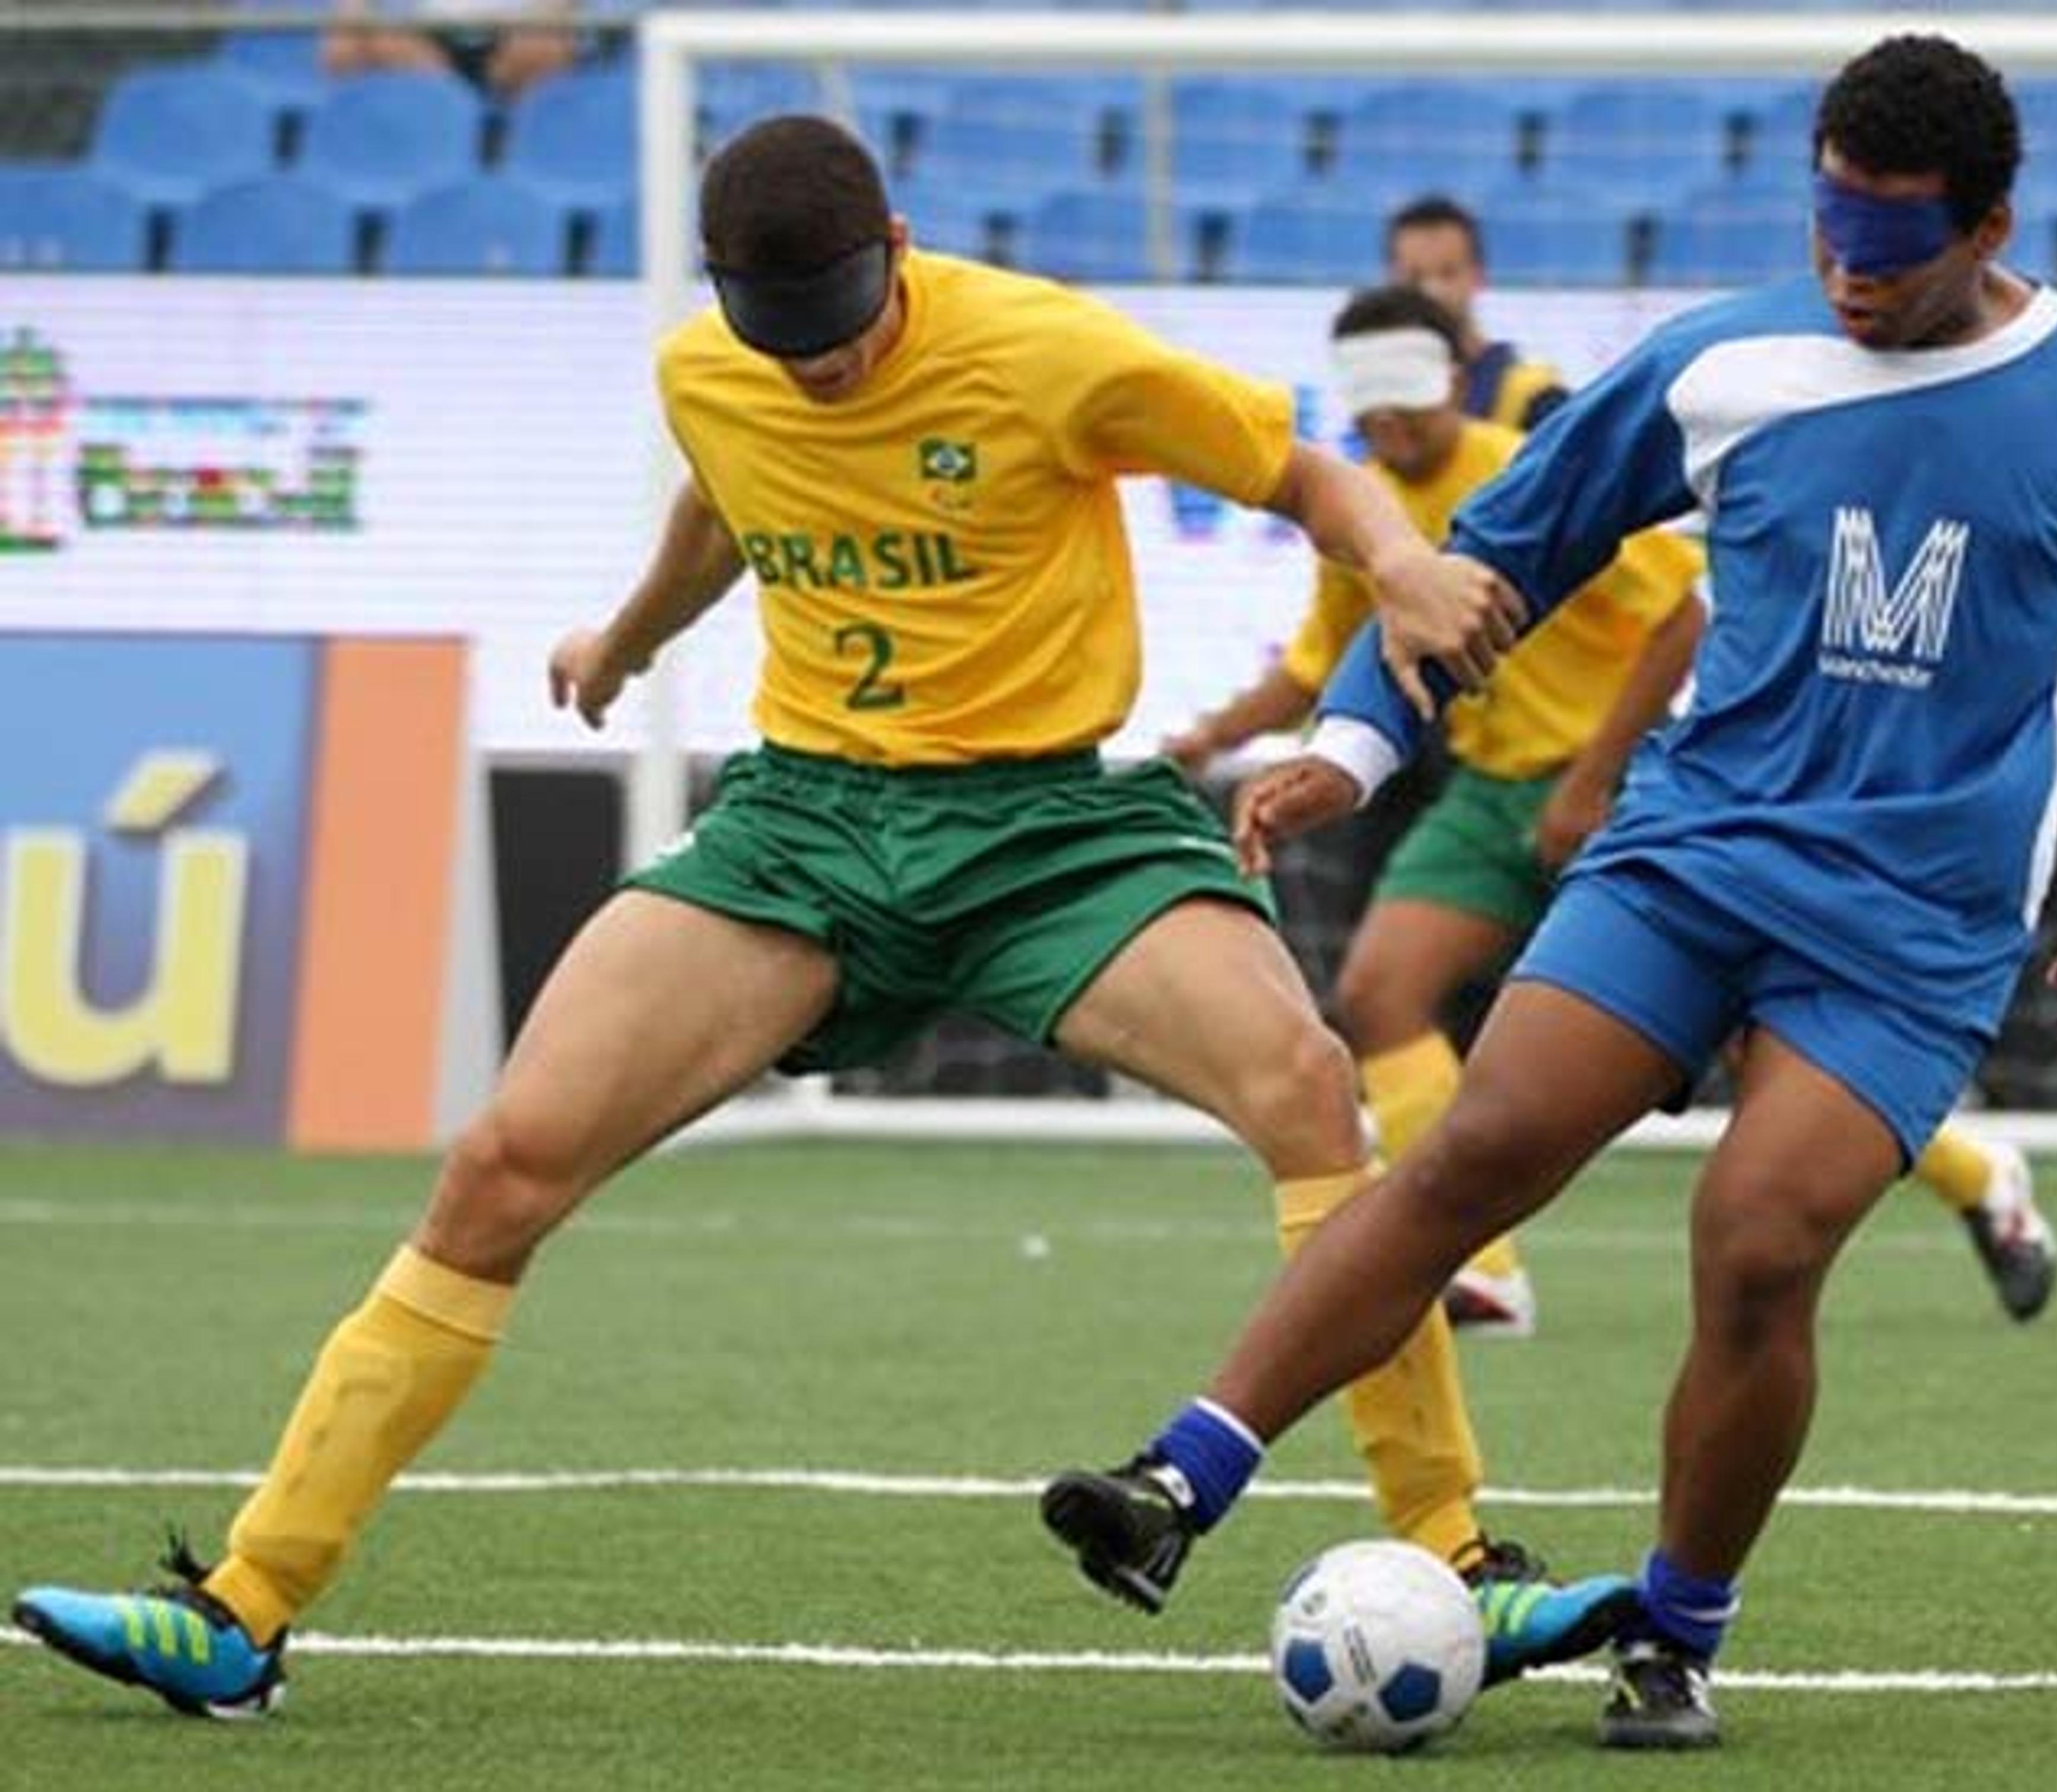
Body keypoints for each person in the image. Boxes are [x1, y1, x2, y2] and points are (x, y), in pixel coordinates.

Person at [8, 114, 1618, 1721]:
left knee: (1310, 1087)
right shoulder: (714, 368)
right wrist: (627, 639)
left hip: (1052, 827)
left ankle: (1461, 1560)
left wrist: (1404, 564)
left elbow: (1307, 469)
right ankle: (243, 1603)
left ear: (898, 246)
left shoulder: (1049, 352)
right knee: (504, 1160)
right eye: (786, 342)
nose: (821, 371)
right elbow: (726, 506)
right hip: (807, 831)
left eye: (843, 333)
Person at [1043, 34, 2057, 1753]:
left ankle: (1673, 1629)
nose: (1851, 276)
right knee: (1474, 1147)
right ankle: (1179, 1475)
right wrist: (1360, 747)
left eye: (1891, 252)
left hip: (1910, 924)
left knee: (1754, 1243)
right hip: (1690, 855)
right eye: (1829, 233)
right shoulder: (1718, 361)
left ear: (1991, 229)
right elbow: (1497, 551)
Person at [1166, 282, 1709, 1337]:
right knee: (1377, 993)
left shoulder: (1527, 469)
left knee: (1748, 1024)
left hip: (1622, 782)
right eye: (1369, 405)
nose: (1390, 423)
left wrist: (1593, 779)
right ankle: (1486, 1271)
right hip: (1491, 789)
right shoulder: (1357, 508)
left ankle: (1979, 1179)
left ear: (1458, 379)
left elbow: (1679, 617)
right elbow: (1327, 665)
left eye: (1408, 397)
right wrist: (1215, 738)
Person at [1386, 194, 1568, 431]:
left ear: (1478, 276)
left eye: (1448, 273)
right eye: (1414, 278)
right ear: (1391, 283)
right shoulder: (1381, 402)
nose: (1431, 292)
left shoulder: (1535, 398)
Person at [323, 0, 582, 100]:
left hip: (522, 30)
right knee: (360, 37)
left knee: (546, 42)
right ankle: (447, 102)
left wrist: (546, 21)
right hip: (428, 39)